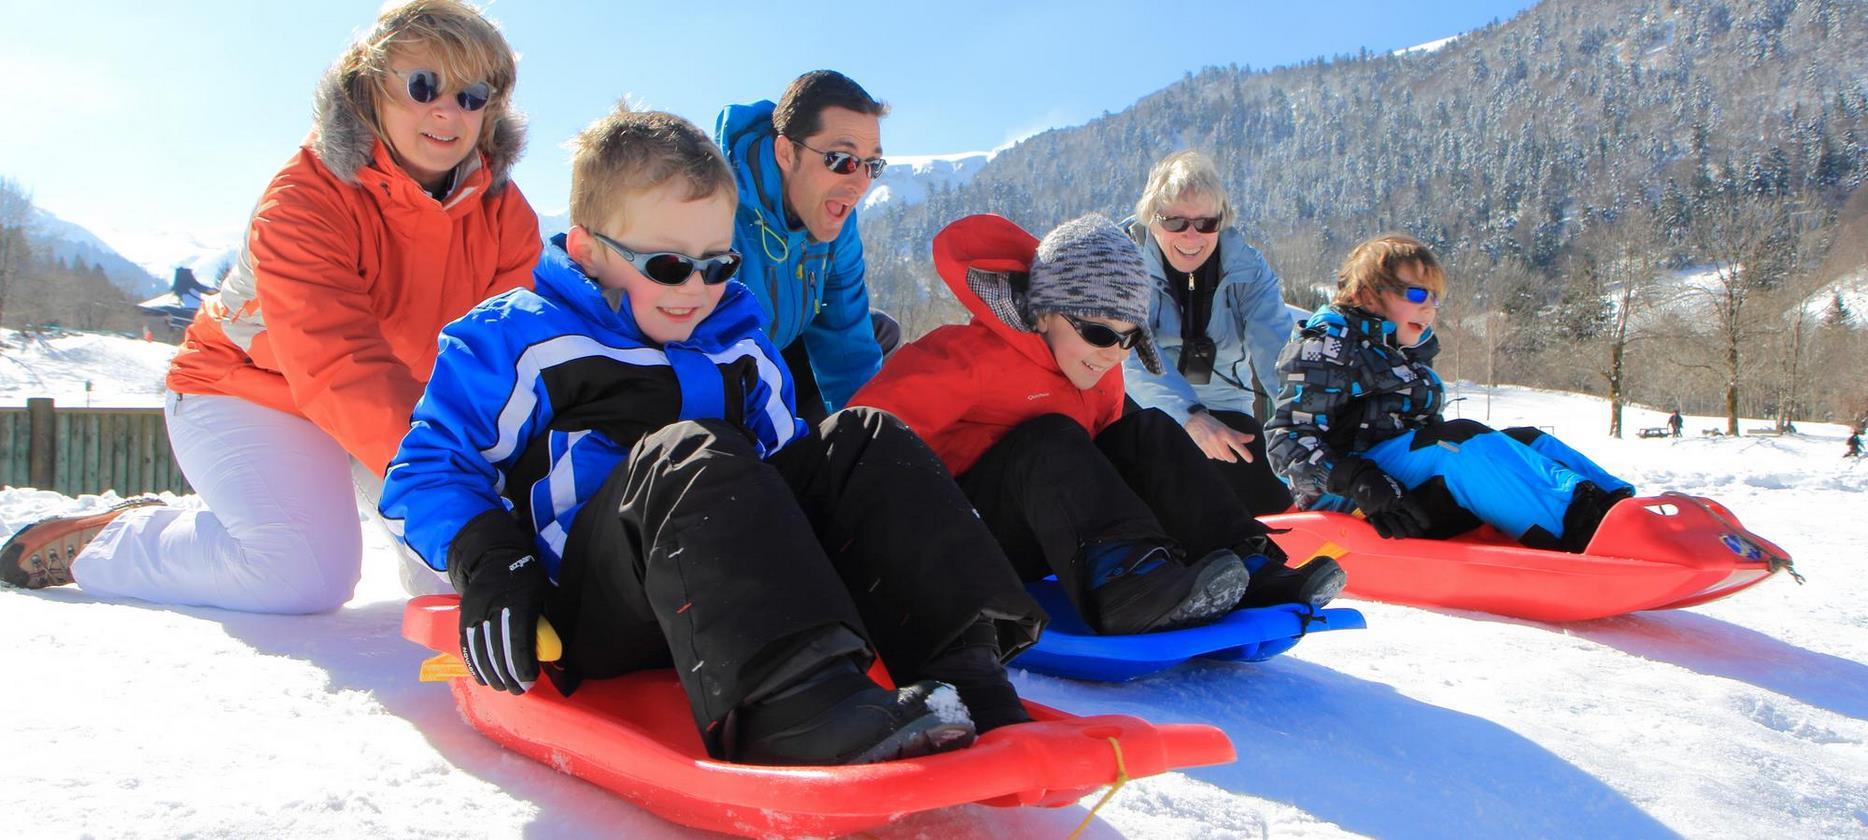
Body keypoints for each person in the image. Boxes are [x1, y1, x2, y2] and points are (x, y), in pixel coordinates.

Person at [379, 108, 1043, 766]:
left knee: (862, 437)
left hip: (732, 592)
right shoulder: (518, 337)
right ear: (587, 249)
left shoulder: (738, 343)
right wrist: (492, 562)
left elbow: (795, 475)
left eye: (717, 263)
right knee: (691, 449)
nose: (696, 289)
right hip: (594, 606)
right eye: (668, 265)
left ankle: (965, 670)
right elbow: (427, 468)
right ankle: (794, 708)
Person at [1, 0, 540, 608]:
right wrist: (455, 499)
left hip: (397, 408)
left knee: (468, 577)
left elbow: (509, 359)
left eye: (472, 95)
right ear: (371, 89)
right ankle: (114, 542)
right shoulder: (305, 199)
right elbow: (337, 363)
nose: (448, 110)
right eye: (423, 85)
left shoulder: (504, 214)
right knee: (301, 574)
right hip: (244, 389)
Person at [851, 214, 1345, 637]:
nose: (1113, 353)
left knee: (1144, 432)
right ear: (1043, 313)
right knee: (1049, 438)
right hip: (956, 541)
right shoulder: (963, 358)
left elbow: (1108, 470)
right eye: (1098, 331)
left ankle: (1245, 561)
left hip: (1046, 535)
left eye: (1129, 338)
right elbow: (858, 441)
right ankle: (1127, 584)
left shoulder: (1098, 372)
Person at [1265, 234, 1634, 552]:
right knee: (1458, 441)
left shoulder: (1401, 350)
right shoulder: (1327, 345)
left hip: (1401, 484)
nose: (1429, 306)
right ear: (1366, 296)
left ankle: (1620, 508)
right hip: (1353, 496)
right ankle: (1583, 528)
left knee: (1528, 440)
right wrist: (1358, 481)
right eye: (1415, 293)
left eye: (1435, 297)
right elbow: (1288, 440)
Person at [1123, 151, 1297, 516]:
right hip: (1143, 408)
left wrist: (1301, 422)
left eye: (1206, 223)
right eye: (1175, 222)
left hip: (1226, 411)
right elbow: (1133, 359)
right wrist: (1190, 417)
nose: (1191, 236)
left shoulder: (1249, 272)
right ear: (1152, 220)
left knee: (1271, 497)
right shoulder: (1127, 268)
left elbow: (1277, 351)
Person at [715, 71, 890, 422]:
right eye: (842, 160)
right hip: (716, 376)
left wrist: (871, 443)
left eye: (872, 165)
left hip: (777, 356)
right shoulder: (715, 208)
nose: (860, 184)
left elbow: (847, 343)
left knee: (879, 331)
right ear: (786, 152)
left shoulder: (837, 222)